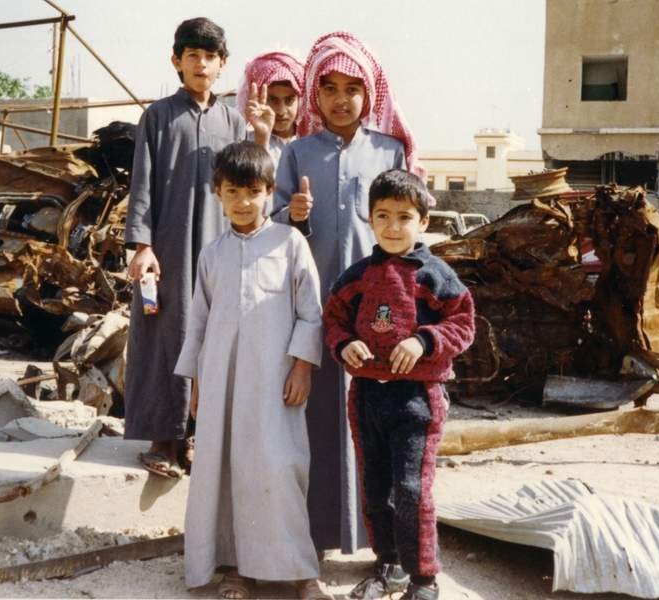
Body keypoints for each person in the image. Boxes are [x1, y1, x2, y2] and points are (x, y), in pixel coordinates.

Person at [272, 31, 426, 553]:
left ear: (371, 93)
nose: (341, 99)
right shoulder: (297, 153)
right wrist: (291, 216)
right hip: (315, 311)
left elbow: (409, 228)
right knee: (313, 422)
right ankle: (311, 538)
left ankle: (379, 547)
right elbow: (271, 222)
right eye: (329, 87)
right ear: (314, 94)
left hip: (379, 318)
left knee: (376, 429)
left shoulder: (391, 149)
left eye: (352, 88)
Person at [174, 141, 331, 600]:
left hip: (275, 384)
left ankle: (301, 572)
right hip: (222, 386)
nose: (243, 202)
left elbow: (311, 313)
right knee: (226, 472)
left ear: (269, 193)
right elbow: (199, 323)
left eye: (253, 191)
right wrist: (198, 383)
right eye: (231, 191)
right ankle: (237, 569)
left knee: (281, 468)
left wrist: (303, 367)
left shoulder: (290, 243)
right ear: (217, 194)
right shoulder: (212, 254)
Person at [123, 17, 272, 477]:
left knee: (210, 337)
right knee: (163, 335)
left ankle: (193, 438)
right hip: (166, 247)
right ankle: (160, 439)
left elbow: (251, 183)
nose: (201, 63)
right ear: (177, 62)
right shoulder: (158, 116)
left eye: (210, 56)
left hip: (217, 248)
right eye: (193, 56)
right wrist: (142, 245)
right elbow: (142, 183)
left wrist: (261, 139)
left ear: (221, 64)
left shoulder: (232, 121)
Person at [323, 169, 475, 600]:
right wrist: (345, 345)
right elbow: (332, 320)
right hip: (368, 395)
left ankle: (423, 579)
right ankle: (387, 565)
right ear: (369, 219)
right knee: (375, 487)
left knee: (412, 489)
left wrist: (423, 339)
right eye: (383, 215)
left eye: (404, 217)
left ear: (423, 221)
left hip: (417, 399)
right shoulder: (354, 277)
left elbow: (463, 325)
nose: (393, 226)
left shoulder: (437, 276)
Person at [236, 51, 304, 167]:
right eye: (272, 100)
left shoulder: (310, 138)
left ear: (301, 100)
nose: (281, 111)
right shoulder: (242, 141)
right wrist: (261, 140)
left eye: (289, 100)